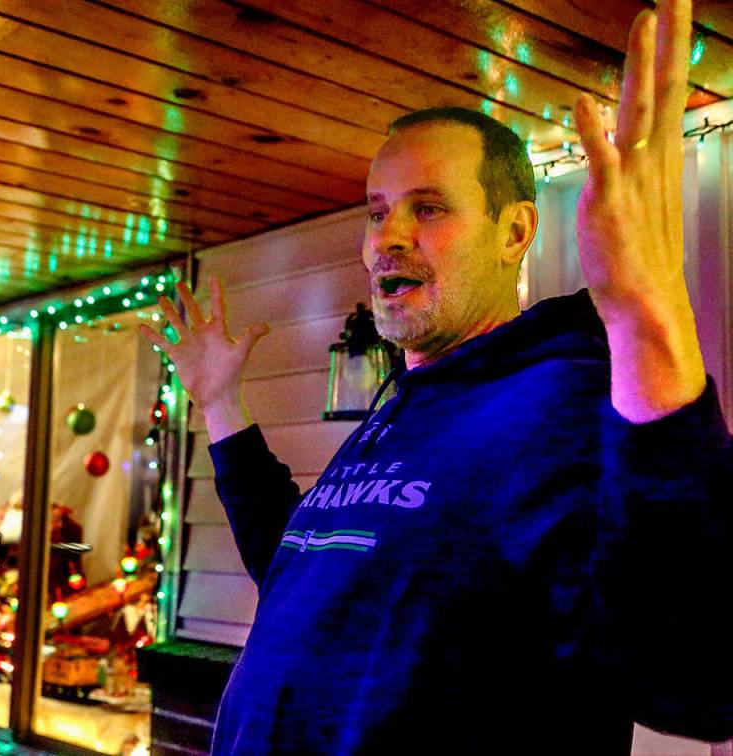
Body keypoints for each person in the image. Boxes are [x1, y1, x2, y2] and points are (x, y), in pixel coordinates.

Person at [141, 1, 733, 753]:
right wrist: (221, 404)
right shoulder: (410, 402)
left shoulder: (563, 399)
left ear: (515, 231)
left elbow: (698, 679)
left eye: (427, 208)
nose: (387, 237)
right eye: (377, 211)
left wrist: (648, 320)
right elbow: (303, 567)